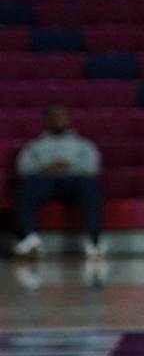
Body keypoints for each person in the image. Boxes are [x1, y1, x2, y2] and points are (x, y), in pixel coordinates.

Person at [11, 104, 105, 260]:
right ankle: (29, 238)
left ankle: (94, 241)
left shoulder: (83, 145)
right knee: (27, 186)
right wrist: (46, 167)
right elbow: (23, 168)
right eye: (53, 116)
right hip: (45, 179)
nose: (58, 120)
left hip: (74, 180)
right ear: (46, 120)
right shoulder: (35, 146)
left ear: (68, 119)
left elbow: (93, 167)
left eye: (61, 116)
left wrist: (69, 166)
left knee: (91, 186)